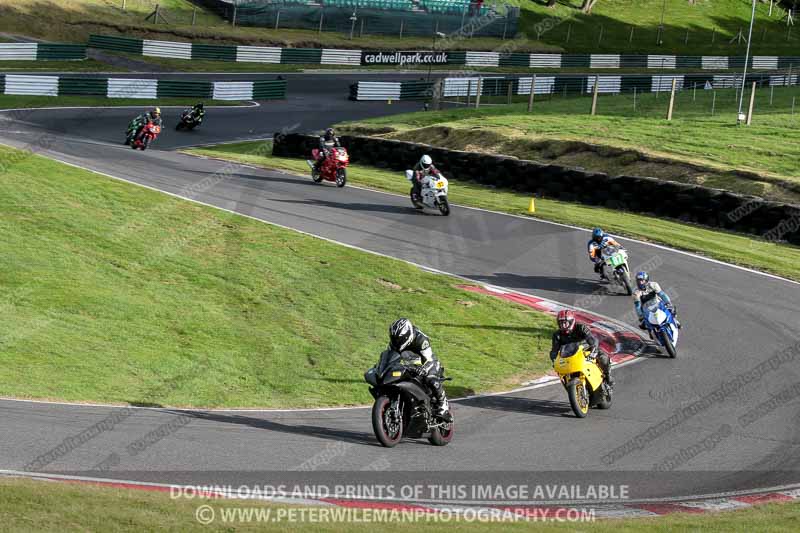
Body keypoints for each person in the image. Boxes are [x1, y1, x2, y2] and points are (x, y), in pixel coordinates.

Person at [388, 318, 451, 421]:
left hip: (427, 363)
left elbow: (429, 359)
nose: (396, 342)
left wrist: (424, 368)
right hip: (410, 365)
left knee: (431, 379)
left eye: (399, 339)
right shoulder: (394, 343)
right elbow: (390, 358)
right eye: (394, 338)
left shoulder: (420, 339)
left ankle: (443, 405)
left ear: (407, 335)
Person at [549, 310, 613, 387]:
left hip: (587, 350)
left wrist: (593, 350)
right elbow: (554, 350)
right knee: (561, 373)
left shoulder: (581, 328)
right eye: (561, 323)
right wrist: (554, 361)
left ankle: (607, 376)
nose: (563, 325)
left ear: (571, 322)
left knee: (603, 357)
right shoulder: (557, 335)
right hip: (570, 356)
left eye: (565, 322)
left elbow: (591, 339)